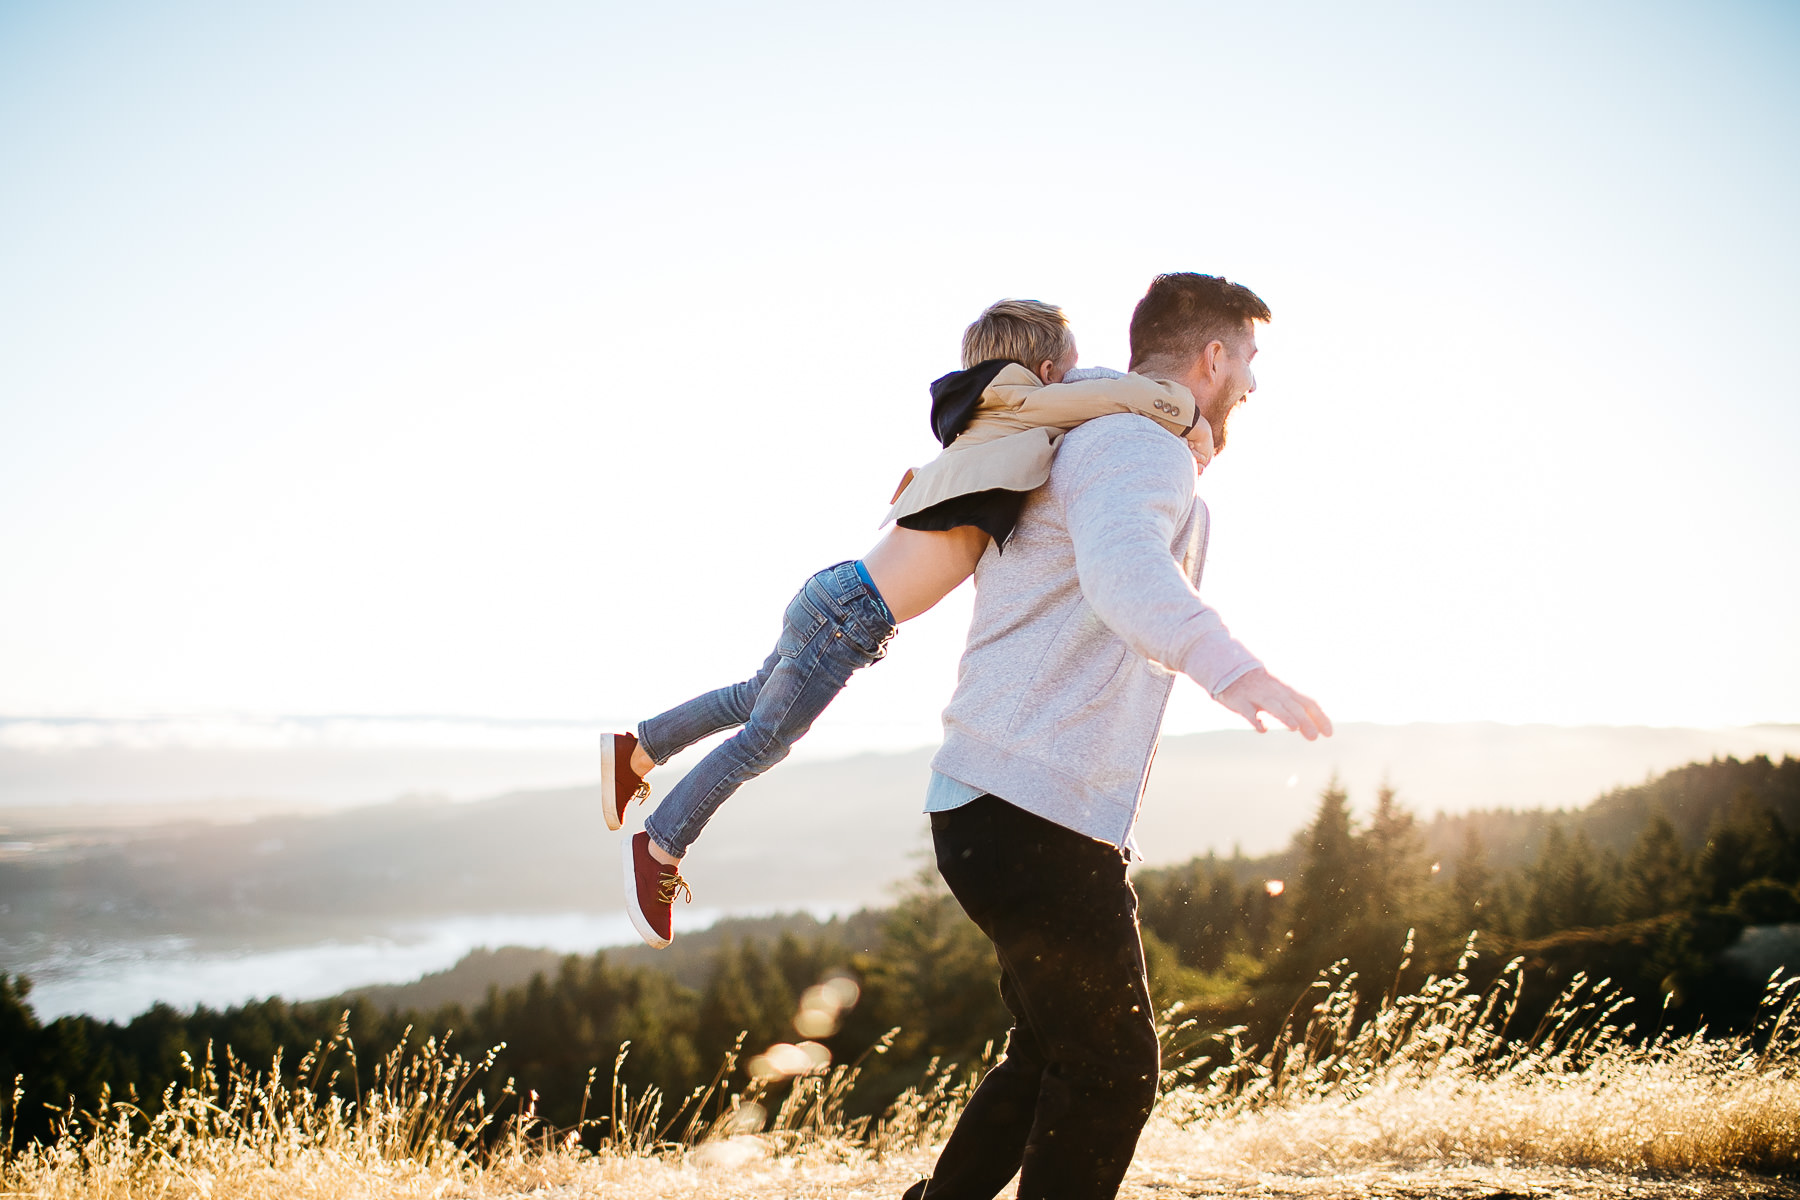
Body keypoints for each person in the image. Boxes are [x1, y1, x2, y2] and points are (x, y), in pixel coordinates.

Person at [601, 299, 1217, 949]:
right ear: (1039, 370)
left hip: (842, 600)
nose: (1077, 384)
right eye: (1066, 374)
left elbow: (1085, 396)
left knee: (756, 700)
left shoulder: (998, 417)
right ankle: (661, 846)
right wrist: (1184, 412)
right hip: (848, 612)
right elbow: (1097, 395)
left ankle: (636, 751)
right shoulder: (1008, 400)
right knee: (766, 738)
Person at [904, 273, 1333, 1200]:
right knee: (1113, 1069)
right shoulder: (1136, 443)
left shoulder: (1101, 436)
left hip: (987, 800)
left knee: (1049, 1052)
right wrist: (1233, 667)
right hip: (1032, 810)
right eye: (1249, 361)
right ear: (1213, 357)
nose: (1254, 384)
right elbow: (1123, 570)